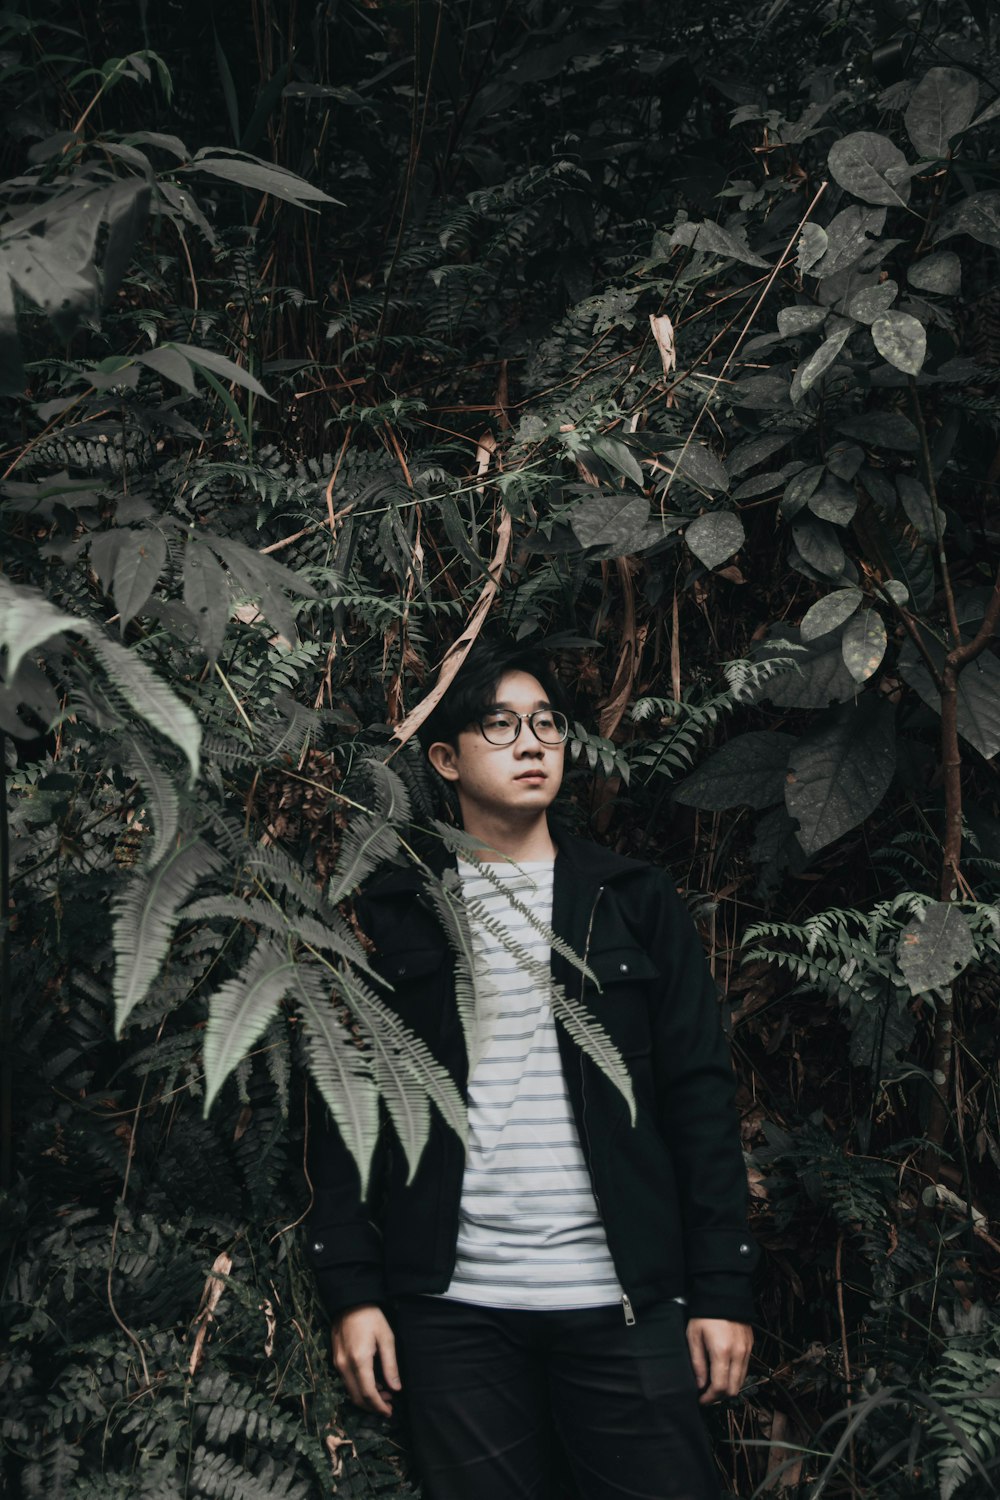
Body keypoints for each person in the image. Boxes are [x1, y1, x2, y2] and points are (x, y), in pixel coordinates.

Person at [305, 634, 758, 1500]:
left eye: (547, 724)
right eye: (501, 725)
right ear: (445, 757)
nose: (531, 743)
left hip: (627, 1303)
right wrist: (352, 1291)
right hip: (452, 1314)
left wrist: (723, 1288)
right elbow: (346, 1100)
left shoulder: (630, 900)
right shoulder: (393, 910)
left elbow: (700, 1097)